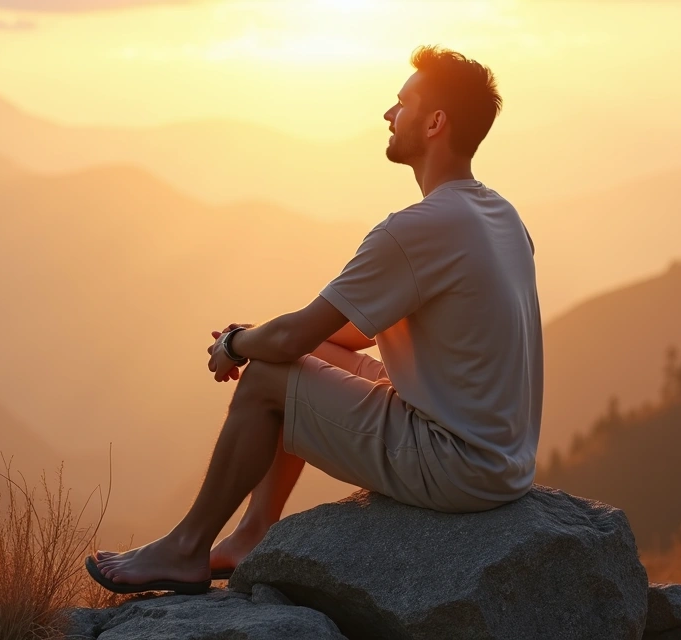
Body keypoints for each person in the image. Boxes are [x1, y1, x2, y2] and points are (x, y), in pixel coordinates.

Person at [88, 45, 543, 595]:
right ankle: (254, 532)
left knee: (267, 377)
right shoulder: (499, 213)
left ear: (435, 122)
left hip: (456, 464)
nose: (388, 115)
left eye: (402, 104)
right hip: (499, 457)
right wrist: (265, 340)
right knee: (287, 358)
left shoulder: (416, 228)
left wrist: (237, 345)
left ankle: (186, 549)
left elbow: (296, 334)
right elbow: (343, 334)